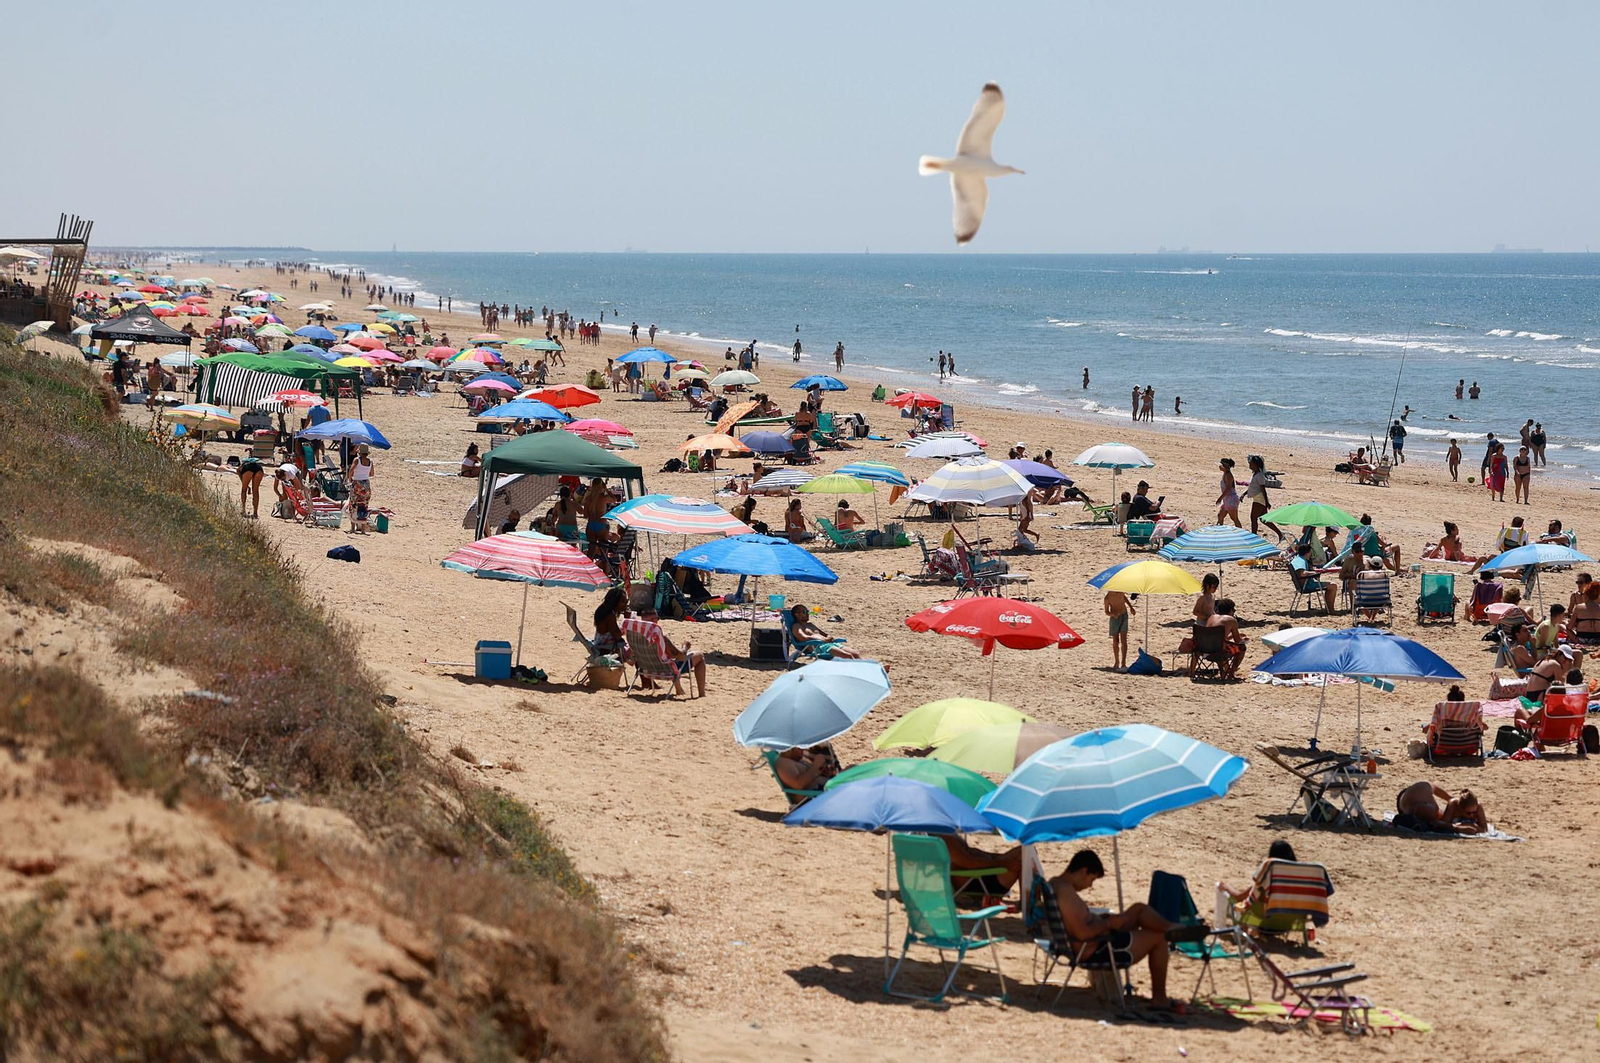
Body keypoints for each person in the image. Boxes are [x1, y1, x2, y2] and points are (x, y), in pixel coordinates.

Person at [1049, 850, 1178, 1011]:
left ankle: (1172, 927)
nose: (1090, 885)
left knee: (1138, 909)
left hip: (1094, 939)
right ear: (1083, 871)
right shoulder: (1066, 893)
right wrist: (1108, 923)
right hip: (1097, 947)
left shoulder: (1056, 884)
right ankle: (1160, 998)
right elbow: (1082, 934)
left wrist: (1100, 919)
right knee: (1160, 938)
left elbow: (1077, 923)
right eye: (1092, 879)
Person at [635, 606, 707, 697]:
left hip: (647, 668)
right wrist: (685, 647)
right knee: (699, 656)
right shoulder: (661, 639)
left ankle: (679, 689)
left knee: (668, 657)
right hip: (665, 670)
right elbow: (680, 656)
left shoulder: (637, 636)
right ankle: (701, 694)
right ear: (655, 619)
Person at [942, 835, 1025, 898]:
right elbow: (966, 862)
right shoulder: (944, 836)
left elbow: (970, 853)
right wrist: (1003, 863)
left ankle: (1027, 901)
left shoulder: (946, 832)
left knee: (1024, 850)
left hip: (979, 874)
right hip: (974, 881)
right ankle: (1026, 903)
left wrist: (998, 858)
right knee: (1024, 856)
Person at [1395, 782, 1487, 835]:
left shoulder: (1422, 789)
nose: (1472, 815)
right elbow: (1436, 823)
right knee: (1438, 817)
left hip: (1406, 797)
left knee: (1440, 815)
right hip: (1405, 803)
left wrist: (1451, 799)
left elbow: (1435, 788)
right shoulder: (1426, 811)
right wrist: (1458, 828)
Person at [1220, 839, 1298, 902]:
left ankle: (1219, 922)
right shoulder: (1299, 881)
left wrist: (1227, 887)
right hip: (1294, 919)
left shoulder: (1267, 878)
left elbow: (1238, 897)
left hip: (1263, 918)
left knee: (1219, 886)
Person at [789, 603, 861, 659]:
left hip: (830, 643)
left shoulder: (810, 624)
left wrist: (829, 637)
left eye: (807, 611)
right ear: (797, 614)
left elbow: (825, 635)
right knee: (847, 656)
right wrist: (821, 639)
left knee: (856, 654)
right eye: (805, 612)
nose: (808, 613)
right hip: (819, 647)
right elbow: (803, 638)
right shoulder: (796, 626)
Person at [1291, 542, 1338, 613]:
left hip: (1301, 584)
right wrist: (1314, 573)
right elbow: (1302, 573)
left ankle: (1328, 609)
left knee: (1330, 585)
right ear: (1308, 552)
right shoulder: (1301, 560)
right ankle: (1330, 610)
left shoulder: (1297, 559)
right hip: (1306, 585)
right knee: (1333, 586)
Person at [1243, 455, 1282, 541]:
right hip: (1258, 498)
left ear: (1256, 465)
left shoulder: (1260, 475)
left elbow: (1263, 489)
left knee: (1253, 518)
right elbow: (1252, 487)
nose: (1249, 465)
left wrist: (1266, 502)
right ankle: (1280, 534)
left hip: (1259, 499)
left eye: (1251, 464)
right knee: (1263, 519)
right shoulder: (1255, 474)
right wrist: (1244, 494)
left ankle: (1253, 536)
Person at [774, 745, 839, 795]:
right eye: (800, 748)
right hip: (817, 794)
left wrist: (822, 772)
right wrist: (815, 766)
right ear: (791, 749)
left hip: (826, 787)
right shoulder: (784, 764)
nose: (803, 751)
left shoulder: (794, 760)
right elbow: (798, 785)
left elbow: (810, 774)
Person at [1206, 597, 1246, 678]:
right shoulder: (1231, 620)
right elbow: (1237, 641)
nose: (1234, 612)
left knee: (1222, 645)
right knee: (1242, 648)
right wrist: (1243, 640)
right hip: (1220, 651)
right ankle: (1231, 672)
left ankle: (1224, 671)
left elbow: (1218, 638)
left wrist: (1230, 636)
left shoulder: (1211, 618)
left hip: (1205, 650)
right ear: (1230, 610)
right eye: (1233, 610)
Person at [1104, 588, 1135, 671]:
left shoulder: (1120, 592)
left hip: (1124, 615)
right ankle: (1116, 662)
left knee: (1124, 640)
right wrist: (1113, 615)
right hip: (1114, 619)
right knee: (1115, 641)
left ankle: (1123, 662)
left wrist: (1131, 607)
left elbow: (1124, 597)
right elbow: (1106, 611)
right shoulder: (1107, 598)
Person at [346, 444, 374, 533]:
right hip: (366, 484)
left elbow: (351, 470)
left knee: (353, 505)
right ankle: (362, 529)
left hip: (357, 483)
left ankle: (352, 528)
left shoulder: (357, 460)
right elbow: (372, 474)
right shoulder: (370, 462)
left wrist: (350, 479)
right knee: (364, 506)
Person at [592, 586, 627, 653]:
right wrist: (627, 619)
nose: (625, 605)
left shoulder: (603, 608)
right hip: (603, 645)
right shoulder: (610, 615)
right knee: (624, 644)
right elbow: (617, 636)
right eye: (623, 602)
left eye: (626, 602)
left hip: (599, 640)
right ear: (615, 602)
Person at [583, 477, 612, 546]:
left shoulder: (588, 499)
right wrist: (607, 489)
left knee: (591, 549)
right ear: (602, 486)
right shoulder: (604, 498)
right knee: (604, 548)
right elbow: (615, 499)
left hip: (591, 524)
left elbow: (585, 515)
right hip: (601, 524)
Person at [1215, 457, 1240, 527]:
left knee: (1234, 518)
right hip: (1227, 499)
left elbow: (1228, 489)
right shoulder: (1225, 474)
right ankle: (1220, 531)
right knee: (1220, 516)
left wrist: (1220, 498)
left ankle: (1240, 533)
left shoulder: (1228, 475)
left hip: (1231, 499)